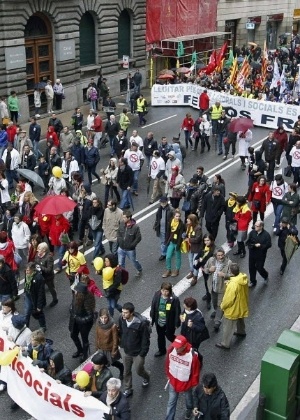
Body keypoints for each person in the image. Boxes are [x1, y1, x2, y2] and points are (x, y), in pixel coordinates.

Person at [165, 335, 201, 420]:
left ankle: (189, 410)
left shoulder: (192, 356)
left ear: (184, 346)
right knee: (171, 402)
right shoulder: (172, 349)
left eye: (178, 348)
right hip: (173, 381)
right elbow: (167, 362)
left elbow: (195, 371)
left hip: (186, 383)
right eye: (175, 347)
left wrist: (192, 384)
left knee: (188, 399)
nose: (176, 349)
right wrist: (168, 375)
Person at [118, 302, 150, 398]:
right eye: (123, 312)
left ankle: (146, 376)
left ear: (131, 313)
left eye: (126, 313)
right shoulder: (121, 319)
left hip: (137, 353)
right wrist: (121, 345)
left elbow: (145, 339)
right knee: (126, 371)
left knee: (139, 370)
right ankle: (128, 388)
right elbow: (121, 332)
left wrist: (142, 354)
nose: (123, 314)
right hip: (126, 351)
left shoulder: (141, 324)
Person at [216, 263, 249, 349]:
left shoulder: (232, 285)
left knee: (228, 327)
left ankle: (225, 343)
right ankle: (241, 331)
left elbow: (229, 300)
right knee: (240, 318)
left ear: (231, 272)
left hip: (233, 308)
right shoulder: (242, 278)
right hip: (241, 303)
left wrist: (222, 306)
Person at [204, 248, 232, 331]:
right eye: (218, 255)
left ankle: (217, 321)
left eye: (222, 255)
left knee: (220, 304)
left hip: (222, 287)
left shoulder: (229, 263)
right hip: (213, 287)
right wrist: (209, 270)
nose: (220, 257)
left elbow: (233, 275)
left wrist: (225, 275)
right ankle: (216, 311)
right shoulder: (211, 260)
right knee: (214, 302)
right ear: (215, 256)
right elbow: (205, 269)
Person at [150, 282, 181, 357]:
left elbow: (177, 311)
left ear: (170, 291)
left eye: (166, 291)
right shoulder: (157, 294)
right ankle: (162, 350)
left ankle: (180, 344)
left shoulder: (174, 299)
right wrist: (152, 316)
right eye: (163, 290)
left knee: (169, 335)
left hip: (169, 322)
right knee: (160, 336)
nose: (164, 292)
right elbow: (153, 305)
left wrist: (177, 323)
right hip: (159, 320)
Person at [69, 281, 95, 362]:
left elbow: (91, 316)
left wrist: (79, 319)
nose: (74, 291)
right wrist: (71, 309)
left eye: (76, 290)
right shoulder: (76, 295)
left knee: (85, 340)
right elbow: (72, 304)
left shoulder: (88, 300)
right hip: (75, 320)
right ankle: (80, 350)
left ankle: (85, 354)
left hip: (84, 324)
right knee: (73, 335)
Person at [96, 308, 124, 379]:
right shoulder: (98, 324)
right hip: (101, 348)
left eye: (105, 318)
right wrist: (97, 346)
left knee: (113, 363)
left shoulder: (112, 326)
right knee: (102, 364)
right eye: (102, 317)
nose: (103, 319)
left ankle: (121, 368)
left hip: (109, 349)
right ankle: (104, 378)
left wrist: (114, 350)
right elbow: (97, 336)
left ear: (108, 317)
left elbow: (115, 339)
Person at [246, 221, 272, 287]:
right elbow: (248, 243)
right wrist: (253, 245)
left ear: (261, 227)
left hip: (261, 255)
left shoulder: (266, 235)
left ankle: (265, 275)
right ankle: (253, 281)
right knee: (251, 268)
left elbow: (269, 245)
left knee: (259, 267)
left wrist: (261, 246)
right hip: (252, 253)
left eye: (257, 226)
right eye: (255, 225)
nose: (255, 227)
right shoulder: (252, 233)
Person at [117, 210, 142, 276]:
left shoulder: (135, 227)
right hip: (121, 247)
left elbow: (138, 238)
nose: (123, 219)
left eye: (125, 217)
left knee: (133, 261)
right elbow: (118, 233)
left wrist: (132, 245)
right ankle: (123, 274)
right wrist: (119, 241)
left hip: (130, 249)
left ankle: (139, 269)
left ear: (129, 218)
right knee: (120, 263)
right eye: (123, 217)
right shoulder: (122, 223)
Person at [23, 262, 47, 331]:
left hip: (35, 297)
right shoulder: (27, 274)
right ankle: (26, 327)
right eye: (26, 270)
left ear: (33, 269)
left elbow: (40, 293)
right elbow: (26, 283)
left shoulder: (39, 278)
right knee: (27, 312)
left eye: (28, 270)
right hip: (28, 295)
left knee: (38, 312)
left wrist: (39, 306)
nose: (26, 272)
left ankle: (43, 326)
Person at [162, 209, 185, 278]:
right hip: (171, 242)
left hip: (177, 242)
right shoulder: (171, 222)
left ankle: (177, 270)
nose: (178, 218)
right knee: (168, 256)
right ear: (173, 216)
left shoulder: (181, 224)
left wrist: (178, 245)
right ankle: (168, 270)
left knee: (178, 257)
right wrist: (166, 240)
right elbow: (168, 232)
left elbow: (181, 235)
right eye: (176, 216)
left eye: (179, 216)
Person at [35, 242, 58, 308]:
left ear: (44, 250)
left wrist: (40, 267)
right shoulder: (37, 255)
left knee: (51, 289)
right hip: (40, 277)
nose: (37, 250)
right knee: (41, 290)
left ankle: (55, 299)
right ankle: (43, 302)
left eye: (39, 249)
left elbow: (49, 270)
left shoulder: (49, 258)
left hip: (48, 278)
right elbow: (36, 262)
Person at [184, 214, 202, 286]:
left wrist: (189, 239)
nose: (187, 220)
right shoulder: (188, 226)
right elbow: (187, 234)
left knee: (195, 263)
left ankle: (195, 277)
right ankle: (192, 272)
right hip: (190, 247)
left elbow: (198, 239)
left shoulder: (198, 228)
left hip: (196, 248)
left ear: (192, 221)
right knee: (190, 260)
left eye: (188, 219)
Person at [153, 196, 174, 261]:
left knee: (166, 241)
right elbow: (157, 218)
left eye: (163, 202)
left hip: (168, 229)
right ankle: (164, 253)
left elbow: (174, 219)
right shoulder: (159, 209)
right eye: (161, 202)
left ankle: (167, 252)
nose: (162, 204)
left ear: (166, 202)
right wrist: (155, 225)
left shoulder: (170, 209)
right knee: (163, 242)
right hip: (161, 228)